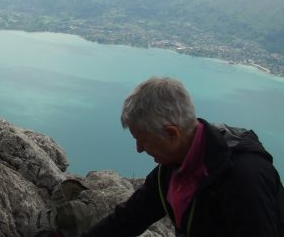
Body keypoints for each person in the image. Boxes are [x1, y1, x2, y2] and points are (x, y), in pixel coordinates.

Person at [81, 77, 284, 236]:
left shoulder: (244, 177)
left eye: (143, 140)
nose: (139, 149)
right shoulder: (171, 169)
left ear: (172, 134)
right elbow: (127, 220)